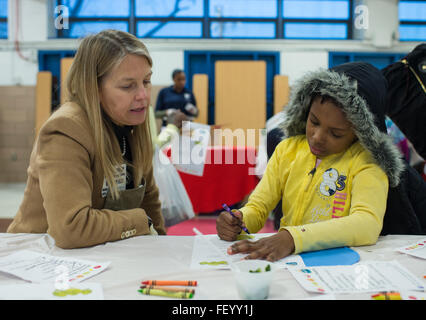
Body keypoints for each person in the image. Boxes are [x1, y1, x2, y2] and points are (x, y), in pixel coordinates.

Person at [216, 62, 420, 262]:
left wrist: (293, 238)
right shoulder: (288, 150)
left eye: (336, 133)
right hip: (290, 262)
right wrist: (241, 220)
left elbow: (366, 224)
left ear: (361, 133)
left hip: (342, 268)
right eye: (313, 121)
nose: (317, 137)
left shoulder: (366, 162)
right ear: (305, 111)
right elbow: (259, 205)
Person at [7, 30, 166, 248]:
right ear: (93, 87)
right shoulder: (66, 129)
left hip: (97, 259)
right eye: (128, 86)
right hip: (38, 262)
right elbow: (71, 228)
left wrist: (163, 249)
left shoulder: (132, 123)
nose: (143, 95)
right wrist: (140, 221)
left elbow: (149, 200)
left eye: (146, 81)